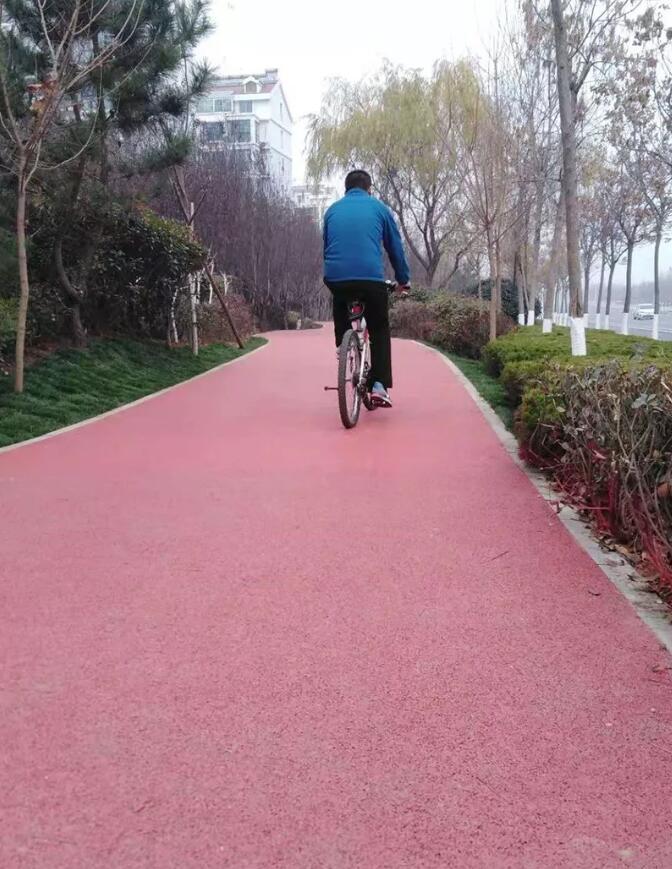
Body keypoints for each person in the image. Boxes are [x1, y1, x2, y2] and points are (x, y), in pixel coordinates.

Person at [323, 169, 410, 408]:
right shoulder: (379, 209)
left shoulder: (332, 211)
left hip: (336, 276)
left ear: (346, 189)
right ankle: (379, 386)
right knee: (379, 326)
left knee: (339, 297)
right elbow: (395, 248)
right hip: (371, 278)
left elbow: (327, 246)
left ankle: (342, 344)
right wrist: (403, 280)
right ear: (369, 189)